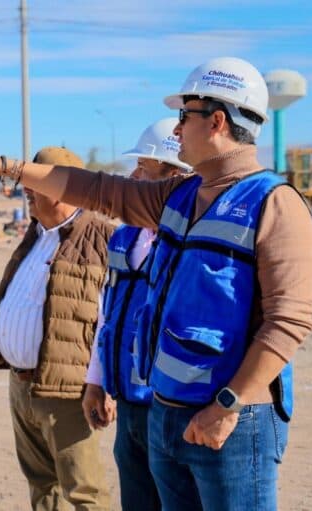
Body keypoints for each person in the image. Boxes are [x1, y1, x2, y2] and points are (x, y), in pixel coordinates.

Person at [0, 57, 312, 511]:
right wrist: (5, 167)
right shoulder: (179, 196)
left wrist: (225, 406)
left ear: (217, 121)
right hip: (167, 412)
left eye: (185, 116)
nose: (177, 131)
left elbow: (288, 322)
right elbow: (95, 188)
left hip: (232, 423)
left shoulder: (273, 204)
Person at [0, 146, 112, 510]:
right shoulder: (37, 235)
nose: (27, 190)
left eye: (36, 183)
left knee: (84, 492)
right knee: (42, 486)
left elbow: (112, 319)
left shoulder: (102, 240)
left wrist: (106, 386)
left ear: (65, 190)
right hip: (22, 386)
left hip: (66, 390)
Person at [82, 118, 191, 511]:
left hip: (169, 407)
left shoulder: (190, 242)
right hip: (127, 404)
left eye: (144, 167)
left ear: (173, 177)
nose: (133, 176)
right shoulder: (124, 236)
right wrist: (97, 380)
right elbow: (108, 312)